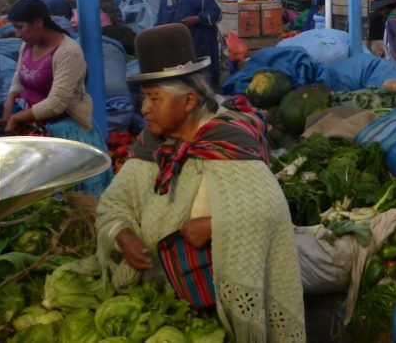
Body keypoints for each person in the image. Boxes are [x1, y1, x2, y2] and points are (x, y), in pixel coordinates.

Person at [96, 24, 305, 340]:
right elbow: (115, 203)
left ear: (189, 100)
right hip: (158, 306)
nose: (144, 109)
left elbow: (271, 213)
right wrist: (122, 235)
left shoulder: (229, 141)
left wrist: (215, 225)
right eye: (144, 98)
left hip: (216, 305)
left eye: (154, 98)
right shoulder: (151, 145)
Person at [0, 0, 109, 193]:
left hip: (66, 135)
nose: (16, 34)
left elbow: (57, 103)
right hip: (36, 128)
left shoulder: (68, 52)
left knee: (72, 199)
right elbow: (19, 76)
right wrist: (9, 102)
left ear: (39, 22)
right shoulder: (28, 45)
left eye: (20, 27)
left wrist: (17, 118)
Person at [156, 0, 222, 87]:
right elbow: (160, 19)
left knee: (204, 81)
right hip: (175, 49)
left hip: (201, 46)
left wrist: (197, 19)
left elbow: (217, 15)